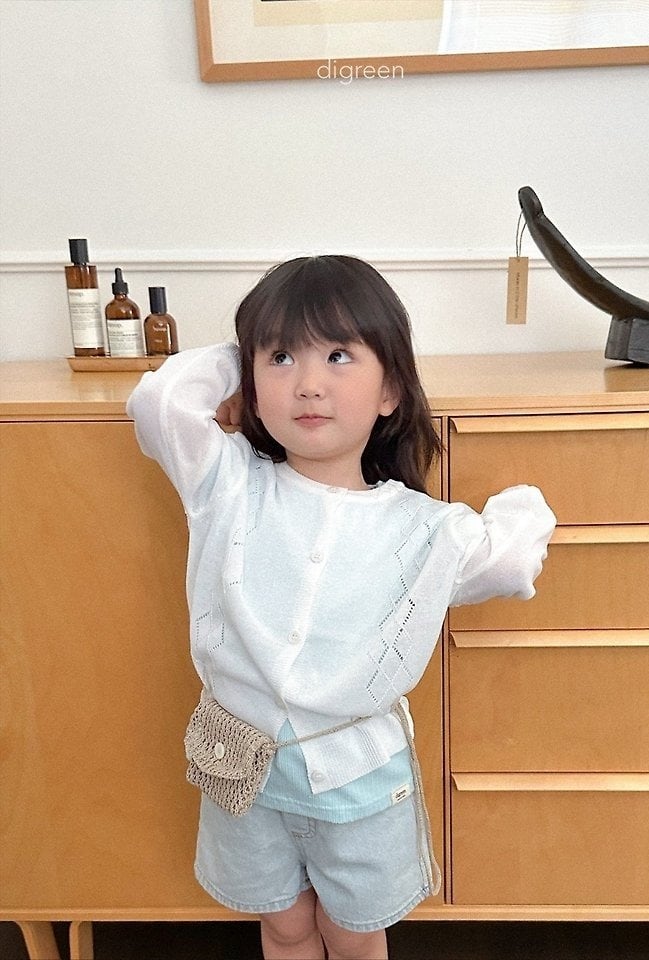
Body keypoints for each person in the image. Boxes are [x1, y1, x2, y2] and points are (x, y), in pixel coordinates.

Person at [127, 255, 555, 960]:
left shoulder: (425, 529)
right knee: (284, 925)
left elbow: (511, 556)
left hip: (358, 780)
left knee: (355, 935)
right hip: (242, 769)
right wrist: (242, 362)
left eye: (337, 356)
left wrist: (517, 505)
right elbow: (161, 401)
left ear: (390, 389)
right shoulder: (227, 484)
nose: (308, 383)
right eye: (282, 357)